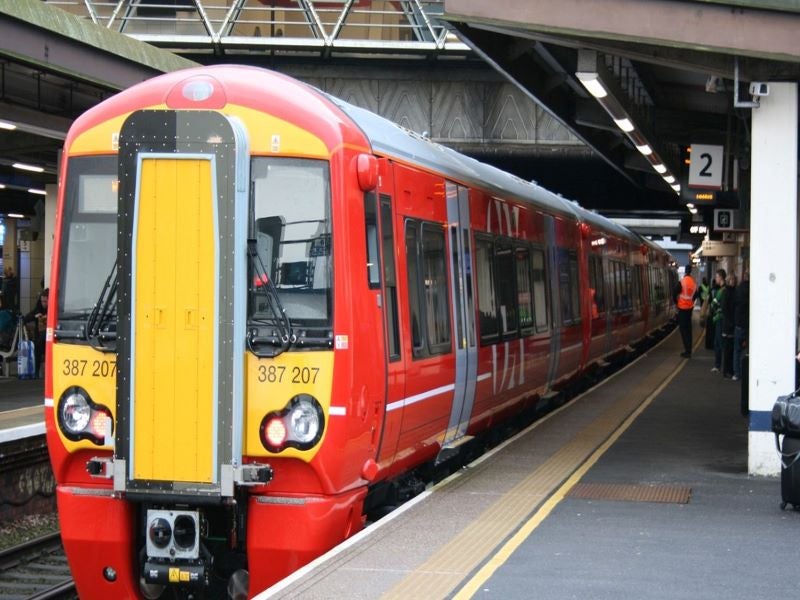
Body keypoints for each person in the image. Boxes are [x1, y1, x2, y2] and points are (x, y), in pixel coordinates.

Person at [23, 288, 48, 378]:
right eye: (42, 301)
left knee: (41, 340)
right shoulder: (38, 308)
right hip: (40, 337)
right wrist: (35, 316)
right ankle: (36, 372)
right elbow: (26, 318)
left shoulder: (52, 309)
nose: (43, 304)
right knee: (38, 342)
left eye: (45, 301)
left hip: (49, 336)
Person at [674, 264, 697, 358]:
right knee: (689, 330)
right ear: (690, 271)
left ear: (685, 271)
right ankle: (689, 350)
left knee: (683, 330)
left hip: (682, 309)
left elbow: (674, 292)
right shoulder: (693, 282)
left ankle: (687, 351)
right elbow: (696, 294)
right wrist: (691, 301)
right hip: (690, 309)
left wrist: (676, 302)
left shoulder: (682, 282)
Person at [733, 270, 749, 381]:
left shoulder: (738, 290)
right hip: (749, 325)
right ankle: (746, 373)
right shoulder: (754, 290)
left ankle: (737, 373)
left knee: (737, 350)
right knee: (746, 350)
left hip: (738, 323)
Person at [710, 269, 727, 372]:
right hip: (719, 320)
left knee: (719, 343)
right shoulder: (721, 290)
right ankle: (718, 365)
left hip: (719, 320)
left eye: (716, 277)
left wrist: (713, 305)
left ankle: (719, 365)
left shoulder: (721, 291)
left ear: (721, 277)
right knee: (718, 343)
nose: (715, 278)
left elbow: (714, 304)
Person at [720, 273, 737, 378]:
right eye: (732, 280)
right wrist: (730, 322)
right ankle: (727, 370)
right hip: (728, 325)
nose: (733, 281)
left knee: (730, 349)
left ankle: (728, 370)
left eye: (734, 280)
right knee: (728, 349)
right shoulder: (727, 293)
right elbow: (725, 309)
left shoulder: (730, 292)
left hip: (730, 324)